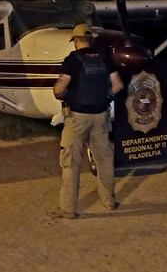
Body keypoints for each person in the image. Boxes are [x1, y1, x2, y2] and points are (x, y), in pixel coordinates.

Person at [51, 23, 124, 219]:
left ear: (76, 40)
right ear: (91, 39)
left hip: (78, 118)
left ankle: (68, 209)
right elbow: (118, 85)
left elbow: (59, 90)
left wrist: (65, 94)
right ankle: (109, 201)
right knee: (104, 160)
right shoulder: (104, 57)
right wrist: (104, 96)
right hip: (101, 115)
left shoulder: (72, 59)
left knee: (71, 162)